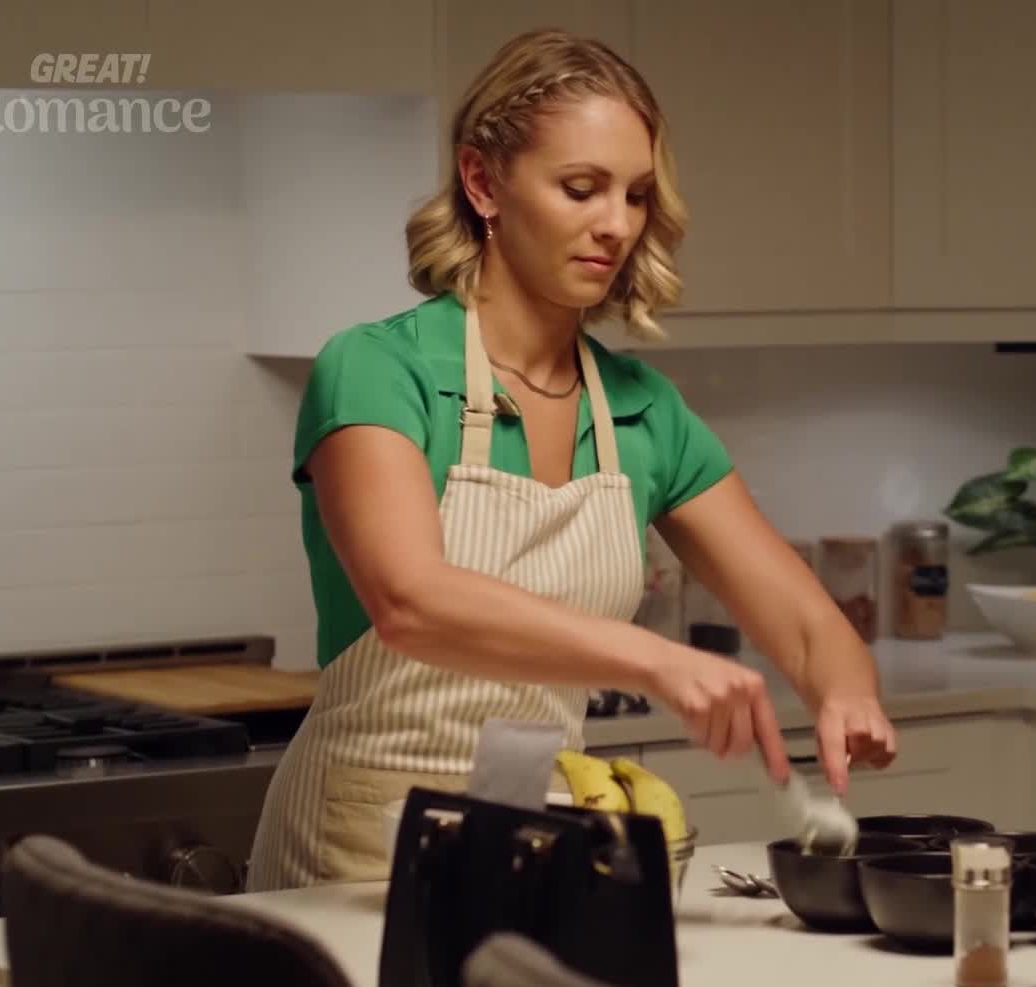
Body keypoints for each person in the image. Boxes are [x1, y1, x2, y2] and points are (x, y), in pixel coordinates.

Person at [246, 29, 898, 891]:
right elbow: (412, 601)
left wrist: (844, 690)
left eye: (634, 196)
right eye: (581, 189)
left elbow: (812, 628)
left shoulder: (641, 409)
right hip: (359, 846)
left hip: (533, 834)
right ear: (483, 182)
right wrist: (657, 660)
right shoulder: (377, 370)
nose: (616, 225)